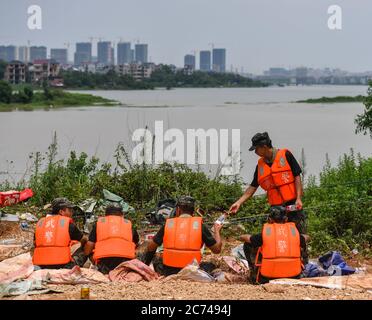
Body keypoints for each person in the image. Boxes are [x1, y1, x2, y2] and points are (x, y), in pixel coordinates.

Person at [229, 132, 307, 235]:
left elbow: (297, 176)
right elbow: (252, 187)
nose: (255, 152)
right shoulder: (260, 165)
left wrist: (298, 199)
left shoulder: (286, 155)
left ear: (264, 147)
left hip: (293, 205)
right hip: (276, 210)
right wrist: (238, 202)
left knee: (298, 237)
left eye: (256, 149)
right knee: (277, 237)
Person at [144, 196, 223, 276]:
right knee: (211, 265)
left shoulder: (169, 224)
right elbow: (217, 250)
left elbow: (151, 246)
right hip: (192, 271)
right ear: (193, 212)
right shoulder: (200, 226)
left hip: (169, 271)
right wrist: (217, 230)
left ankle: (145, 267)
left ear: (178, 210)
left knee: (156, 257)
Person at [240, 206, 310, 284]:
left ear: (269, 219)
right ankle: (304, 271)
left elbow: (247, 238)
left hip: (267, 277)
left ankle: (254, 275)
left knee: (248, 244)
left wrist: (241, 236)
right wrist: (299, 237)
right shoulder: (294, 233)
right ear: (286, 219)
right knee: (301, 244)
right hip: (294, 276)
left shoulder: (265, 234)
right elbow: (307, 237)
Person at [32, 197, 87, 269]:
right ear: (61, 212)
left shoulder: (41, 223)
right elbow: (84, 240)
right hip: (64, 265)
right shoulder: (67, 223)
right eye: (69, 210)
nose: (71, 213)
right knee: (88, 245)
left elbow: (35, 244)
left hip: (41, 265)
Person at [84, 204, 140, 274]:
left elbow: (89, 245)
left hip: (104, 263)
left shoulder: (99, 223)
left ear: (106, 214)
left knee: (87, 247)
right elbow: (136, 244)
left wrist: (86, 253)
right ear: (121, 214)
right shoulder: (128, 224)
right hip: (125, 262)